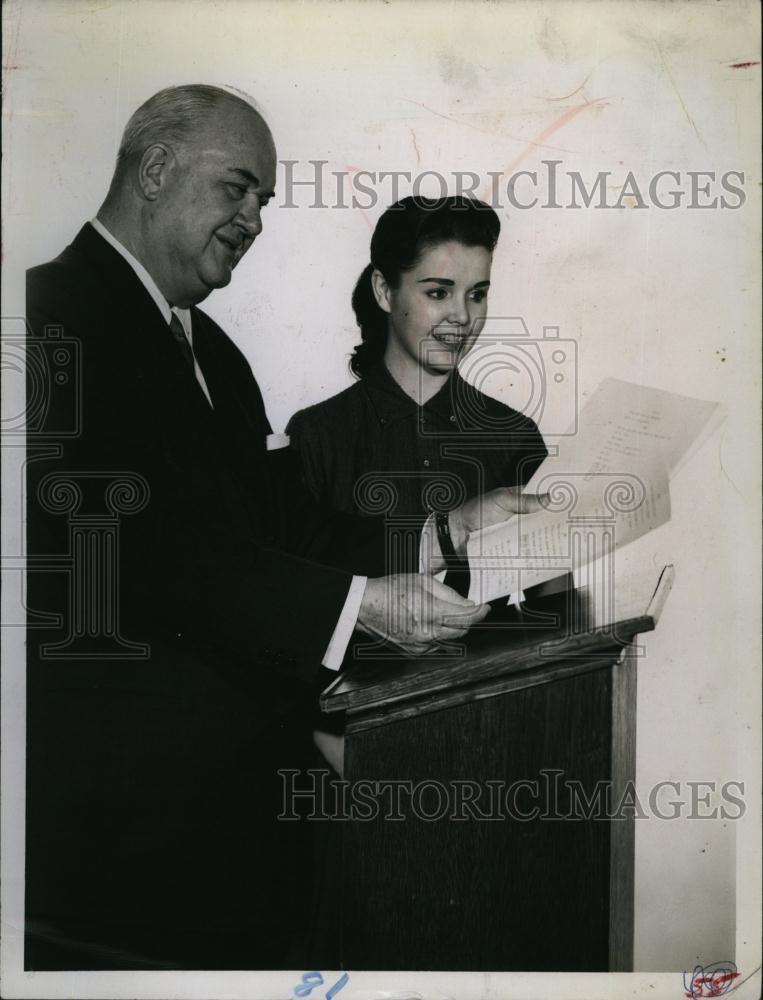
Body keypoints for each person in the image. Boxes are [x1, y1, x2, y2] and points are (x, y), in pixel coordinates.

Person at [24, 86, 542, 971]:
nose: (254, 217)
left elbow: (280, 525)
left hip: (228, 848)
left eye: (263, 197)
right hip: (127, 861)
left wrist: (442, 535)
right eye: (238, 188)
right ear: (155, 170)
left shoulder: (213, 353)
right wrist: (356, 605)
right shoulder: (48, 315)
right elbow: (131, 547)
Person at [288, 195, 548, 590]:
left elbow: (555, 606)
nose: (462, 316)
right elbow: (298, 595)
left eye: (477, 294)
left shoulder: (515, 435)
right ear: (384, 291)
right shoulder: (315, 436)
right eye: (438, 293)